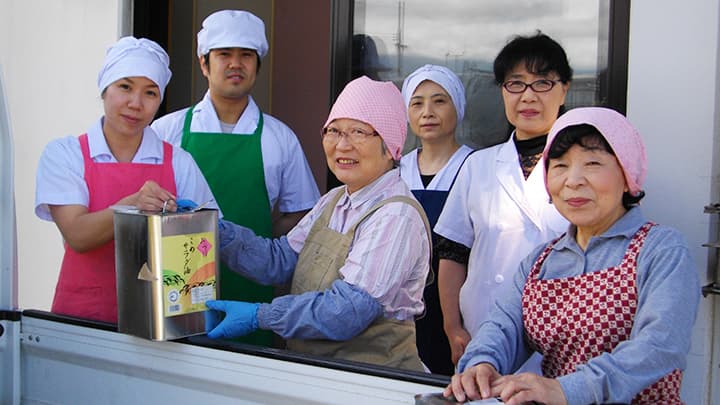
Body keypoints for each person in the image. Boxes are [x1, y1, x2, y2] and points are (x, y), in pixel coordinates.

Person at [444, 107, 701, 405]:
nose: (573, 180)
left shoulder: (661, 249)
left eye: (592, 163)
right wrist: (482, 363)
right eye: (560, 165)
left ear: (626, 173)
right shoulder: (541, 261)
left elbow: (660, 345)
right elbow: (504, 326)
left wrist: (570, 388)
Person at [204, 76, 432, 371]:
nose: (341, 145)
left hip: (371, 381)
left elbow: (348, 310)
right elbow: (280, 260)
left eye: (358, 132)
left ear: (390, 147)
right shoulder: (334, 199)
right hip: (318, 373)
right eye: (333, 131)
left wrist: (260, 316)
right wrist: (210, 228)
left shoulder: (396, 216)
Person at [151, 10, 320, 346]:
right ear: (204, 64)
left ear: (257, 66)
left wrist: (263, 248)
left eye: (246, 55)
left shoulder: (280, 137)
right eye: (224, 54)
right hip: (176, 285)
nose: (235, 64)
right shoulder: (166, 131)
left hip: (251, 284)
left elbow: (303, 214)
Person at [35, 36, 218, 323]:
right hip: (83, 320)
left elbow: (207, 238)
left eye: (150, 93)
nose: (135, 103)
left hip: (162, 321)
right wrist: (132, 205)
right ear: (104, 89)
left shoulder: (179, 162)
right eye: (125, 87)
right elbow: (78, 235)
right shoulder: (66, 154)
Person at [433, 32, 572, 366]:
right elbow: (453, 252)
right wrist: (452, 326)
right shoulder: (478, 166)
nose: (528, 96)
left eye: (542, 83)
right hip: (482, 331)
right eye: (516, 84)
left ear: (564, 88)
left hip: (561, 339)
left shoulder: (585, 170)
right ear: (502, 92)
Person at [399, 64, 474, 375]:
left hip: (458, 309)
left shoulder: (475, 166)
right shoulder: (394, 170)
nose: (427, 111)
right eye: (417, 103)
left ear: (458, 107)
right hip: (401, 309)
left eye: (439, 100)